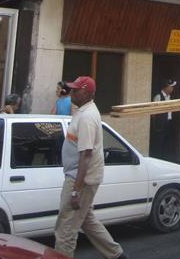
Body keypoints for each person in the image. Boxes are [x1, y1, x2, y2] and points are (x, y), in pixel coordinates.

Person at [54, 76, 128, 259]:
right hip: (79, 177)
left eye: (75, 89)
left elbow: (85, 156)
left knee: (65, 230)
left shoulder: (87, 117)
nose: (71, 92)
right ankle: (116, 255)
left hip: (80, 179)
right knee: (86, 219)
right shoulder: (82, 111)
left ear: (86, 93)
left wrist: (75, 191)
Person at [150, 79, 177, 160]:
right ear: (167, 87)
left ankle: (165, 159)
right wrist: (156, 126)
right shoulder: (158, 97)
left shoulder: (170, 97)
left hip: (168, 123)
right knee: (159, 143)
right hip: (160, 125)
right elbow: (153, 113)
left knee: (167, 143)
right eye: (171, 87)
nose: (173, 89)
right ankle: (158, 159)